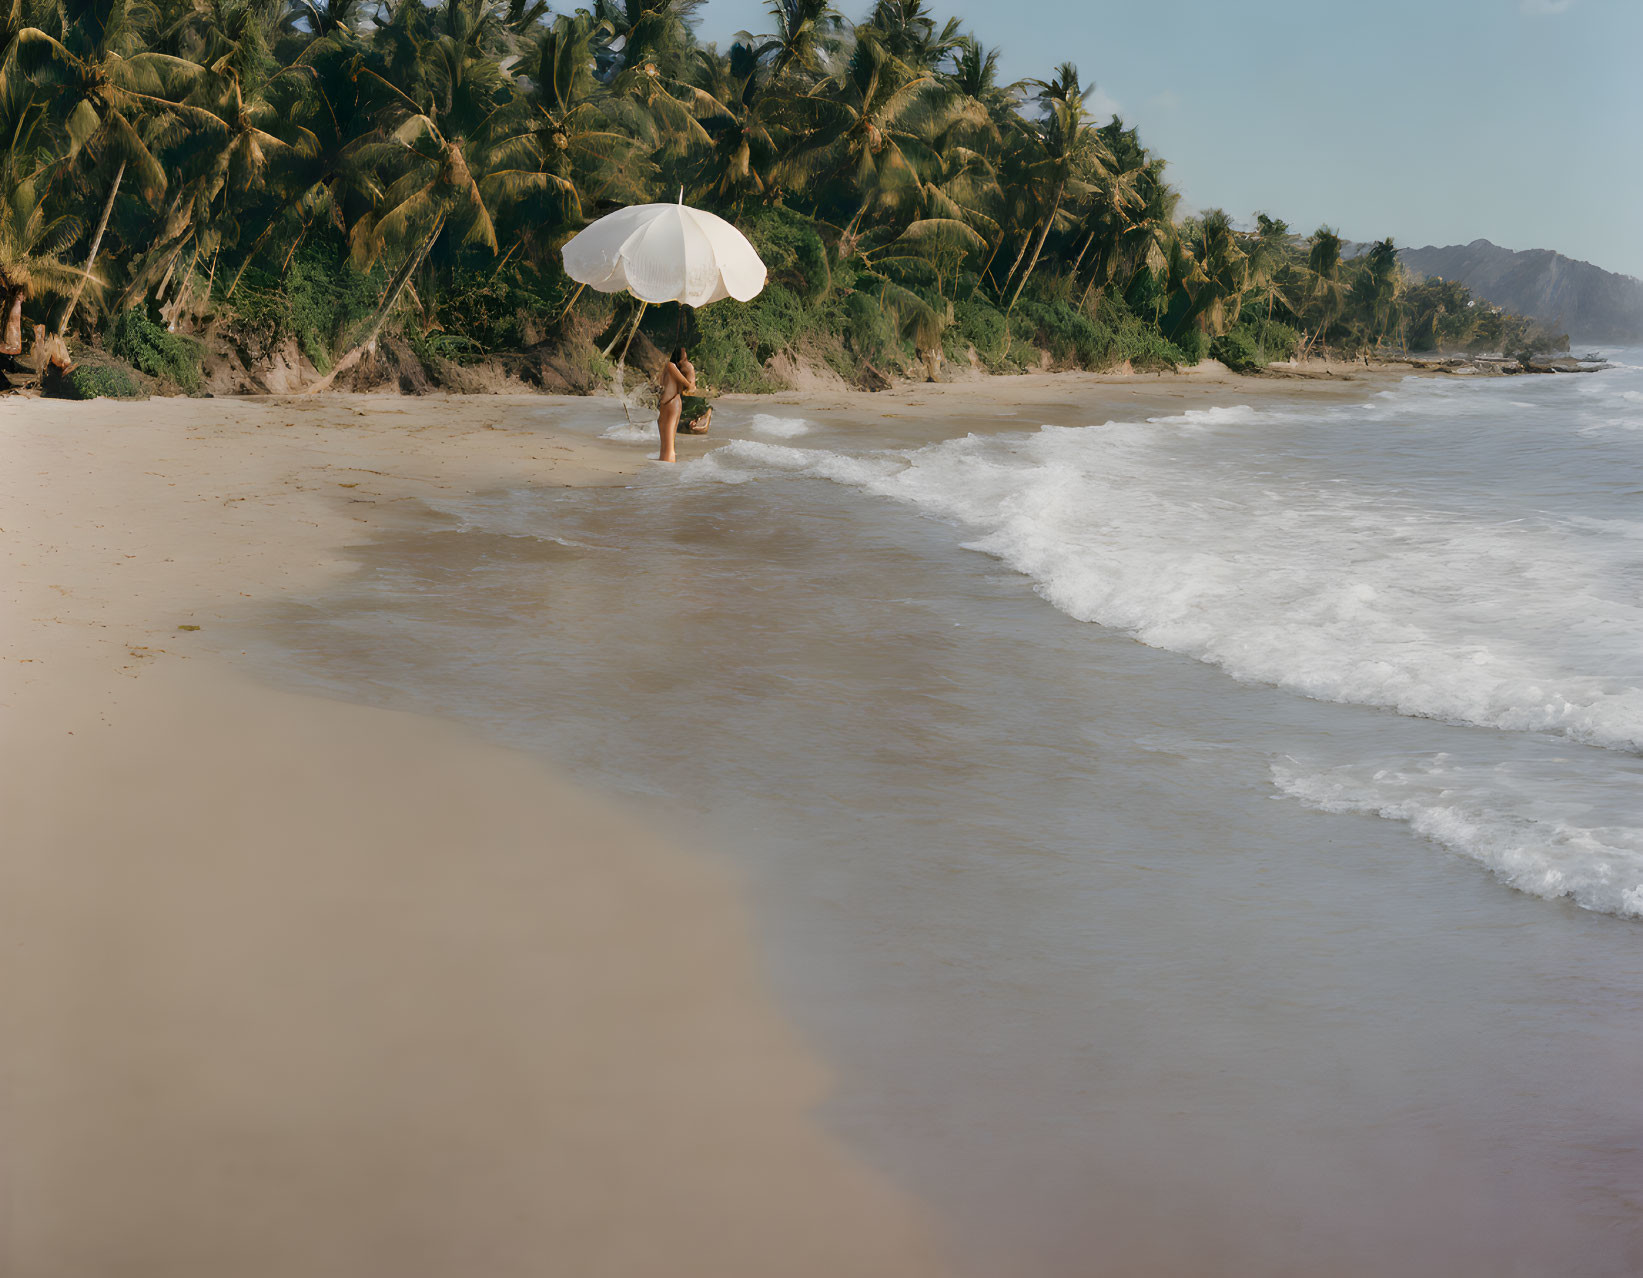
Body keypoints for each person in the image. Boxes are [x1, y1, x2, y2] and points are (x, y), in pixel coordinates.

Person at [655, 345, 697, 462]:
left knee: (667, 446)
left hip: (671, 403)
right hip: (671, 403)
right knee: (666, 445)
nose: (685, 354)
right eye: (683, 352)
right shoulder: (670, 367)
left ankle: (667, 471)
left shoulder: (670, 366)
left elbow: (689, 386)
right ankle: (666, 470)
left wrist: (689, 370)